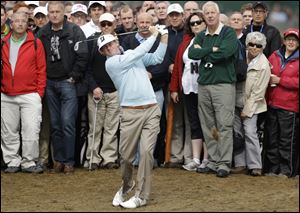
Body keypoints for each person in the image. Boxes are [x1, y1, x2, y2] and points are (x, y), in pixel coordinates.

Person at [98, 25, 168, 208]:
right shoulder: (111, 63)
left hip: (151, 109)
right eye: (104, 49)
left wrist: (164, 36)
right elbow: (139, 52)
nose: (108, 49)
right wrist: (154, 35)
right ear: (103, 53)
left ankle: (141, 196)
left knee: (145, 153)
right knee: (126, 156)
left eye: (110, 44)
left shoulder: (130, 54)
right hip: (130, 112)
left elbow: (156, 58)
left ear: (116, 41)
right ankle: (127, 183)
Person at [36, 1, 88, 174]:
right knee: (56, 124)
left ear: (63, 13)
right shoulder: (42, 33)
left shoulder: (74, 30)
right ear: (47, 13)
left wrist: (74, 76)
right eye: (51, 12)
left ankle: (69, 161)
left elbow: (83, 56)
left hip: (68, 82)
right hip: (50, 82)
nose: (54, 14)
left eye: (57, 11)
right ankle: (58, 160)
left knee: (67, 123)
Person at [188, 1, 238, 178]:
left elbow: (226, 52)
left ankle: (224, 163)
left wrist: (205, 51)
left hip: (223, 85)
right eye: (206, 13)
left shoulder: (228, 32)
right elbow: (192, 54)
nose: (209, 16)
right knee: (208, 125)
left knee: (224, 124)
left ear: (218, 14)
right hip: (204, 85)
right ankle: (214, 160)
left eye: (212, 13)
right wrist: (212, 49)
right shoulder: (201, 35)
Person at [121, 12, 170, 167]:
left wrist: (151, 74)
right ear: (136, 22)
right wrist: (142, 74)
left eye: (147, 22)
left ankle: (148, 158)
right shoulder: (128, 40)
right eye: (141, 22)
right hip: (134, 93)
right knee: (136, 127)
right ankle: (135, 159)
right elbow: (125, 62)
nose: (143, 25)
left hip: (155, 90)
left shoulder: (158, 38)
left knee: (153, 127)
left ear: (152, 23)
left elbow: (163, 61)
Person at [1, 12, 46, 173]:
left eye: (23, 21)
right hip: (6, 95)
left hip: (30, 94)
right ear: (11, 24)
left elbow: (41, 69)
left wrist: (39, 93)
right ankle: (12, 161)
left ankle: (29, 162)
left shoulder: (35, 43)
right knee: (8, 131)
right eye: (16, 21)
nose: (20, 24)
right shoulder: (3, 42)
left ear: (28, 24)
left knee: (31, 130)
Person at [170, 12, 208, 172]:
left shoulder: (210, 39)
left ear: (205, 23)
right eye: (192, 23)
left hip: (205, 88)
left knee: (207, 123)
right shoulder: (186, 41)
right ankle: (196, 159)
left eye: (199, 22)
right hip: (188, 88)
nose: (196, 25)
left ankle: (207, 159)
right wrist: (174, 88)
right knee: (194, 123)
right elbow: (178, 66)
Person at [84, 12, 120, 170]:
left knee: (111, 127)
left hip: (115, 91)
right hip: (96, 92)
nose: (105, 27)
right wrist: (93, 87)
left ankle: (109, 158)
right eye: (103, 24)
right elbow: (86, 68)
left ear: (114, 25)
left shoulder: (121, 41)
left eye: (109, 24)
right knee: (95, 128)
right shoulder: (93, 41)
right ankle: (92, 158)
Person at [264, 28, 299, 178]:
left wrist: (281, 81)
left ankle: (286, 170)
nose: (291, 42)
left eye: (294, 40)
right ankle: (273, 169)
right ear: (284, 41)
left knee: (286, 141)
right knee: (272, 139)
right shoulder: (274, 56)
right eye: (288, 39)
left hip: (290, 107)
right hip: (273, 104)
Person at [235, 32, 271, 176]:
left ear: (263, 47)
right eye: (251, 44)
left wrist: (247, 110)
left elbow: (258, 93)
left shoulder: (264, 65)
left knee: (250, 133)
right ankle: (239, 163)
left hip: (253, 105)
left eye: (258, 45)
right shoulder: (240, 56)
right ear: (247, 44)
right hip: (236, 101)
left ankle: (255, 165)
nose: (254, 47)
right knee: (237, 133)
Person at [165, 3, 192, 168]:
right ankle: (175, 155)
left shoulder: (188, 34)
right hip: (170, 82)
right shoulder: (164, 33)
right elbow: (162, 55)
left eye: (177, 15)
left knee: (189, 121)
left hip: (187, 82)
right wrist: (168, 65)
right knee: (175, 122)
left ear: (183, 15)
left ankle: (188, 156)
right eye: (171, 15)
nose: (174, 18)